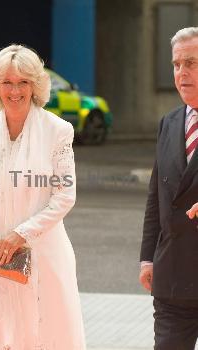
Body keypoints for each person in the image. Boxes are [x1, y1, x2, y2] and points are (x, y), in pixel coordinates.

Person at [0, 44, 86, 349]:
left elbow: (65, 196)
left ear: (35, 86)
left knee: (43, 338)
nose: (15, 91)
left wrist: (19, 235)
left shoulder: (59, 130)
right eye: (7, 82)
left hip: (42, 258)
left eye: (23, 82)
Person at [139, 27, 198, 350]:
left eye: (191, 63)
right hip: (172, 277)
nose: (181, 72)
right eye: (176, 64)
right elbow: (155, 198)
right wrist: (147, 258)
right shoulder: (170, 122)